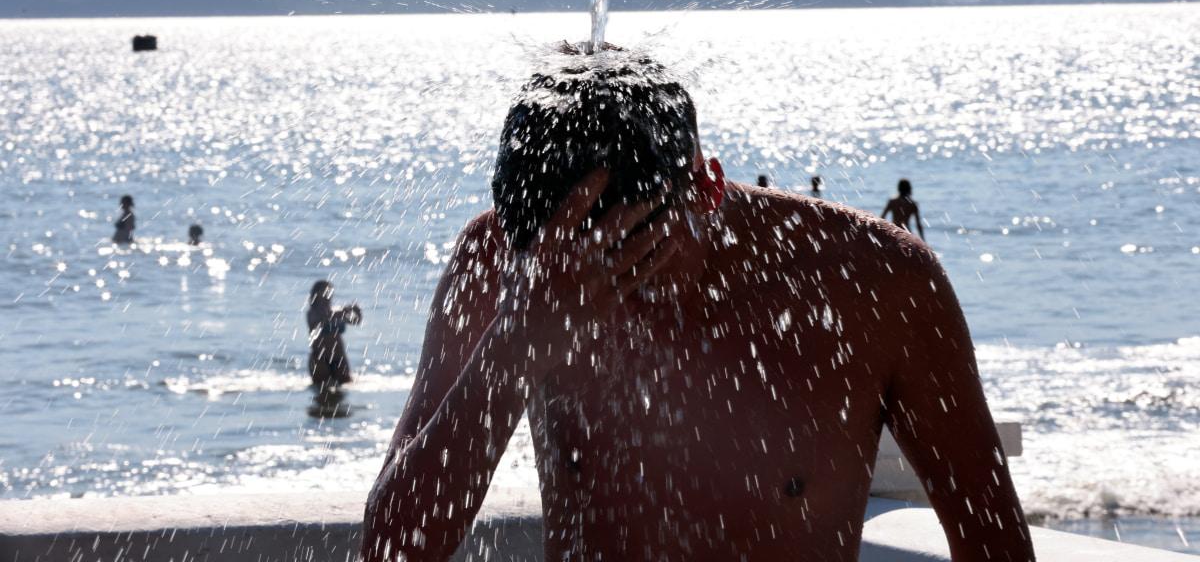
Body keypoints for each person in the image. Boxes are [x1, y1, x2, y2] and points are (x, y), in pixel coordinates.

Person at [362, 49, 1033, 561]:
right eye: (573, 277)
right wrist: (520, 337)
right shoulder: (504, 262)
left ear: (706, 188)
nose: (608, 300)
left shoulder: (876, 281)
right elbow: (391, 549)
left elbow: (995, 542)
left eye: (633, 260)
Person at [306, 280, 362, 392]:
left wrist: (357, 312)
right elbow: (322, 319)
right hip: (320, 359)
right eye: (324, 293)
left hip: (339, 357)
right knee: (321, 393)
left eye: (329, 293)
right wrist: (341, 313)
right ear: (316, 295)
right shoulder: (312, 313)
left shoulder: (336, 310)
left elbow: (355, 321)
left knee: (343, 393)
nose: (327, 296)